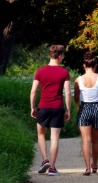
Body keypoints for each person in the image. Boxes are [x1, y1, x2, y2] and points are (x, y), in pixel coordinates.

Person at [30, 44, 71, 176]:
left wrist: (32, 107)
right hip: (57, 107)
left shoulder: (40, 71)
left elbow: (33, 91)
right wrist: (68, 109)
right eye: (63, 56)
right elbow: (67, 93)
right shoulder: (64, 72)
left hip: (43, 107)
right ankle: (52, 168)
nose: (63, 58)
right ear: (59, 56)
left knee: (41, 134)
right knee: (54, 138)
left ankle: (45, 160)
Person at [73, 51, 98, 176]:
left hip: (84, 108)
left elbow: (76, 98)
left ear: (84, 65)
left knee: (86, 141)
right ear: (95, 65)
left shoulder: (78, 79)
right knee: (95, 141)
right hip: (97, 109)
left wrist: (79, 106)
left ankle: (87, 168)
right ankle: (95, 164)